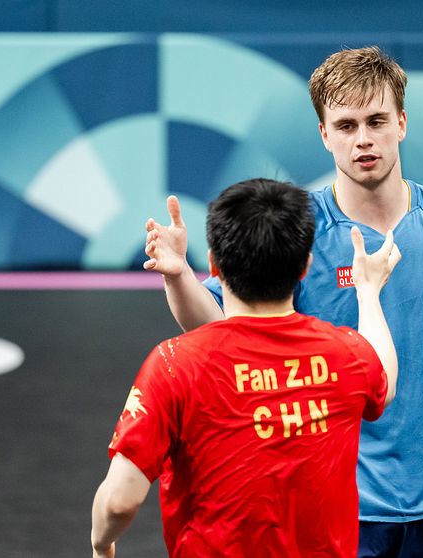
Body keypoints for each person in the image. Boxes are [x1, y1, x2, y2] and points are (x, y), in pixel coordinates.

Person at [142, 46, 423, 557]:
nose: (363, 139)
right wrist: (178, 277)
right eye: (345, 126)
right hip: (332, 508)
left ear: (401, 124)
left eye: (376, 121)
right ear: (325, 135)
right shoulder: (299, 227)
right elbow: (219, 326)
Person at [92, 178, 403, 557]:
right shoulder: (347, 354)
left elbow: (119, 503)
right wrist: (368, 291)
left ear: (214, 265)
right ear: (304, 266)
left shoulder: (173, 364)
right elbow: (384, 381)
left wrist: (101, 544)